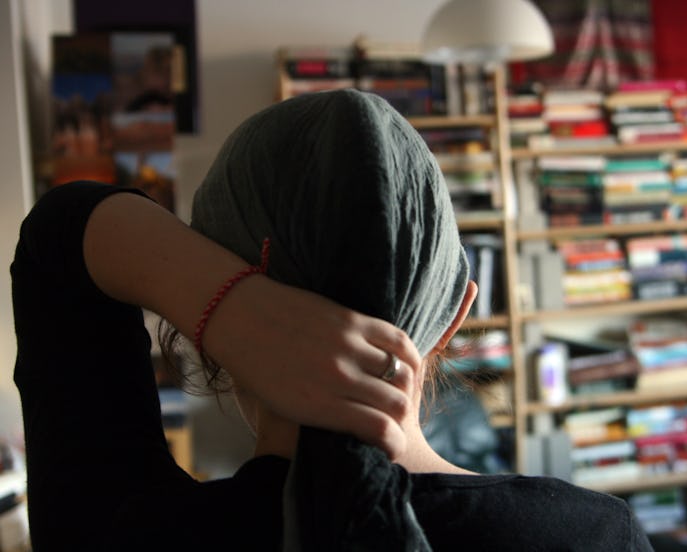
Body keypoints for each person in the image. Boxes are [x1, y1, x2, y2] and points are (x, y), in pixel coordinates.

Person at [12, 89, 653, 551]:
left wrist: (234, 306)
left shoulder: (123, 532)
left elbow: (54, 244)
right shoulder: (595, 536)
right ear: (457, 314)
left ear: (200, 337)